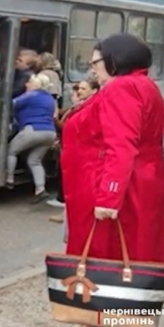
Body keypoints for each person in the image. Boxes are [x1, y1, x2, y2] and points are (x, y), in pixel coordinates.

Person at [60, 33, 164, 327]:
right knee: (109, 265)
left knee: (97, 269)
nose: (92, 68)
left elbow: (121, 145)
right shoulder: (143, 85)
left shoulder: (121, 88)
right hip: (135, 186)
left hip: (113, 190)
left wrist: (108, 196)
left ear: (114, 60)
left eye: (95, 61)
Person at [47, 79, 100, 221]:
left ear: (94, 91)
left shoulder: (90, 107)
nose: (79, 91)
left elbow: (72, 127)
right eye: (79, 89)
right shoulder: (79, 106)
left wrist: (55, 120)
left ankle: (67, 213)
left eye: (83, 88)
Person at [7, 73, 57, 203]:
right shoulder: (50, 98)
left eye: (30, 82)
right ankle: (40, 189)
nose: (26, 84)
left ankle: (9, 179)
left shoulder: (31, 94)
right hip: (50, 133)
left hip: (33, 129)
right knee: (35, 161)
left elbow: (10, 104)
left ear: (36, 85)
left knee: (11, 151)